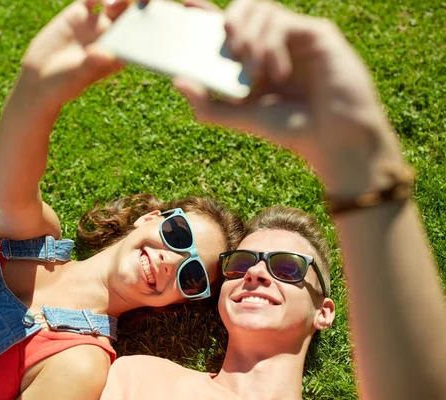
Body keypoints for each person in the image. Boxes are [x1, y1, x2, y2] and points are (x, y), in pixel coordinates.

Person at [0, 1, 246, 399]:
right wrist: (37, 85)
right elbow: (8, 183)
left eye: (191, 276)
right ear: (150, 218)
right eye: (177, 235)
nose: (171, 260)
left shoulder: (82, 363)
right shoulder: (33, 243)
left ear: (176, 303)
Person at [100, 0, 446, 399]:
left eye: (287, 267)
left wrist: (361, 158)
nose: (255, 274)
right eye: (241, 262)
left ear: (324, 312)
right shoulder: (137, 375)